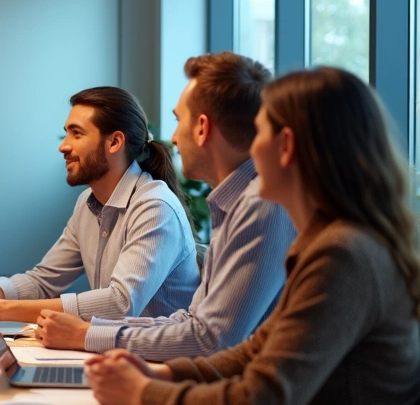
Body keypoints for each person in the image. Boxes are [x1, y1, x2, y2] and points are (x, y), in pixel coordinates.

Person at [70, 67, 420, 405]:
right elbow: (256, 351)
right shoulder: (328, 241)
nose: (251, 149)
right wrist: (162, 375)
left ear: (287, 147)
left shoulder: (344, 255)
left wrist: (143, 394)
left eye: (261, 132)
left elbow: (262, 404)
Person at [34, 53, 295, 360]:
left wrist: (89, 335)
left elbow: (210, 340)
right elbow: (193, 323)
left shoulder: (261, 206)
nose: (172, 137)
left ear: (201, 127)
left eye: (177, 120)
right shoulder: (234, 204)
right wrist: (90, 334)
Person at [0, 86, 199, 324]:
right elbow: (43, 281)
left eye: (77, 134)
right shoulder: (87, 203)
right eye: (67, 134)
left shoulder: (154, 207)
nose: (63, 146)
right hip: (115, 355)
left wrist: (4, 310)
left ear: (115, 142)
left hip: (158, 366)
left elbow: (121, 302)